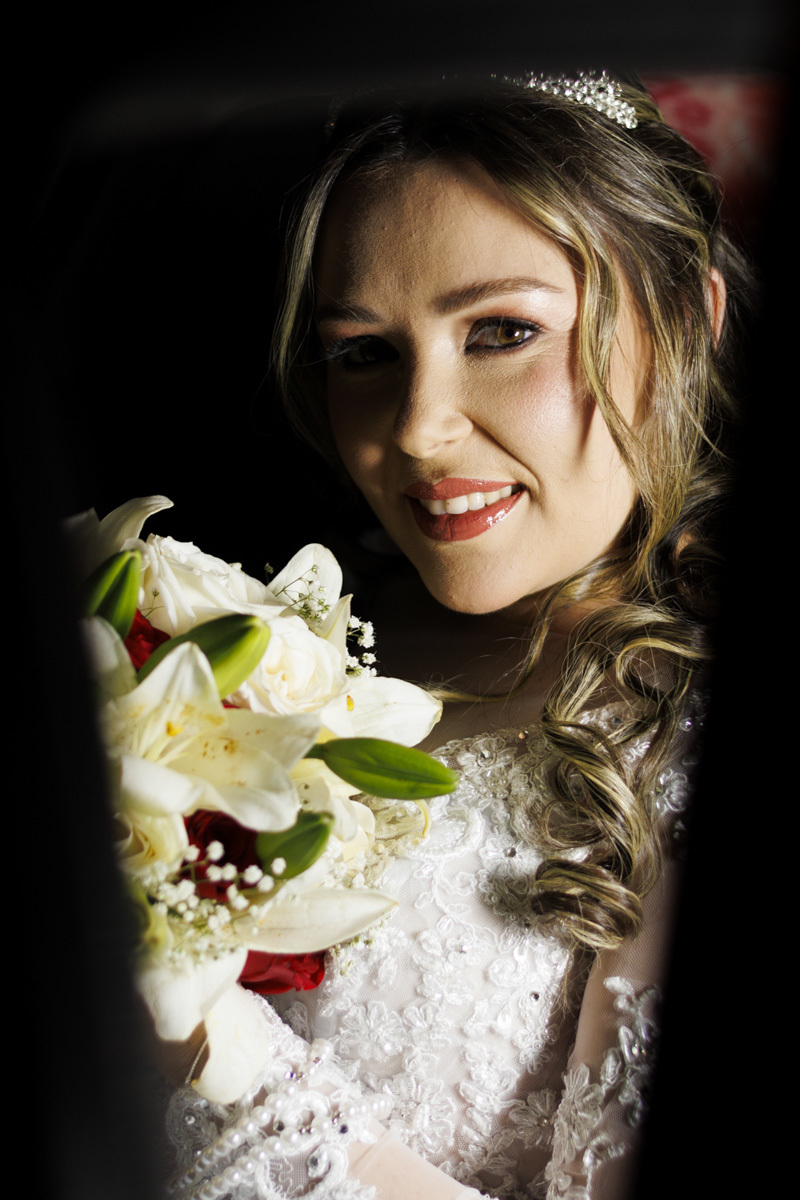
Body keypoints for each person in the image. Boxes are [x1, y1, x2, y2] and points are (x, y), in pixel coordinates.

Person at [165, 72, 750, 1200]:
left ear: (687, 321)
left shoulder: (674, 745)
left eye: (502, 332)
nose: (418, 430)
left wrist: (216, 1057)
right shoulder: (235, 634)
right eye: (364, 353)